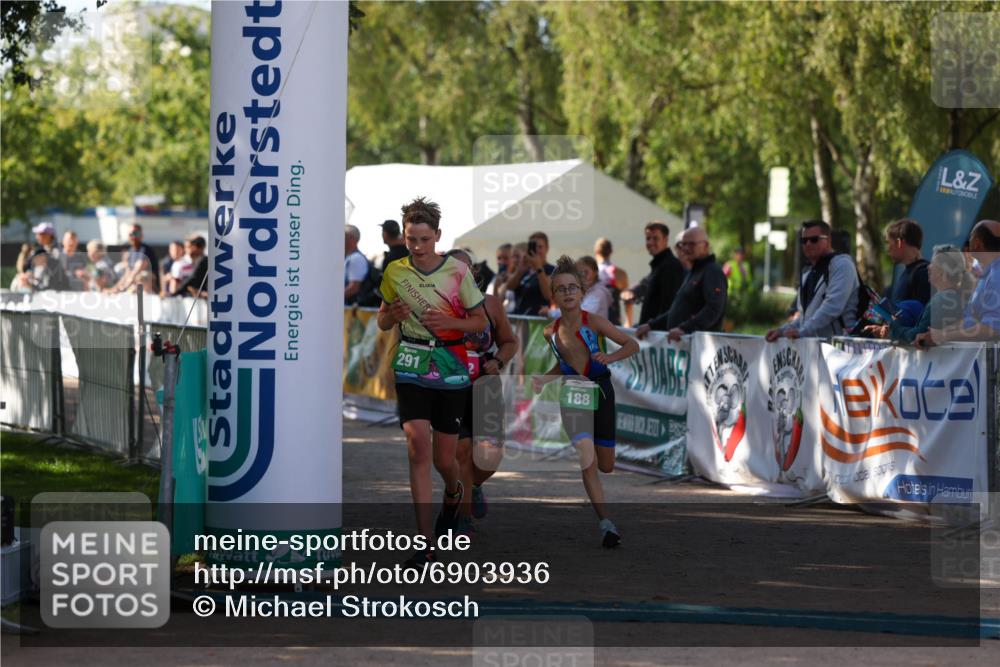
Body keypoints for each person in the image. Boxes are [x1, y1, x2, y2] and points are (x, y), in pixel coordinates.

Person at [376, 197, 488, 568]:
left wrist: (452, 324)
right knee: (417, 446)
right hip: (410, 362)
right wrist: (391, 313)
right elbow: (382, 321)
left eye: (424, 239)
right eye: (411, 239)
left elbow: (480, 323)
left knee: (445, 459)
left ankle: (455, 491)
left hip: (451, 364)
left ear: (437, 235)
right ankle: (426, 544)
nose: (418, 247)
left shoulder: (457, 271)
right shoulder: (395, 271)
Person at [533, 256, 639, 548]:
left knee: (606, 465)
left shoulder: (593, 321)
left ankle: (605, 518)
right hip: (573, 394)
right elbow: (565, 365)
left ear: (582, 292)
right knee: (586, 456)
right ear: (553, 296)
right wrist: (545, 378)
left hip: (601, 391)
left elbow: (632, 344)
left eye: (572, 288)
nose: (567, 293)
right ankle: (606, 524)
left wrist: (610, 357)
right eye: (561, 289)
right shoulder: (549, 332)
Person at [446, 249, 519, 535]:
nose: (459, 275)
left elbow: (510, 343)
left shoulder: (491, 304)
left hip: (485, 387)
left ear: (474, 273)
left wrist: (498, 360)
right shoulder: (439, 305)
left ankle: (474, 486)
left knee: (490, 458)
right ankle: (462, 519)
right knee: (462, 453)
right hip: (452, 386)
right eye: (452, 270)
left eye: (464, 269)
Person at [766, 220, 859, 341]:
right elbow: (805, 317)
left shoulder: (842, 265)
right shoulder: (808, 272)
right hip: (813, 351)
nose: (808, 244)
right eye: (804, 240)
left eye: (814, 239)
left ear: (829, 239)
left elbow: (832, 307)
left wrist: (802, 332)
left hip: (840, 350)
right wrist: (782, 331)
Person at [916, 220, 1000, 347]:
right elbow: (969, 321)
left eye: (970, 237)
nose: (968, 242)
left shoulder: (996, 276)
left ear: (977, 243)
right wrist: (937, 333)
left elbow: (991, 329)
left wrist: (942, 336)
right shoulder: (987, 276)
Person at [865, 244, 971, 344]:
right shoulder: (954, 297)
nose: (928, 267)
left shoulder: (943, 299)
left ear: (941, 272)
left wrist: (894, 328)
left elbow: (920, 335)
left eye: (932, 264)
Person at [636, 226, 728, 341]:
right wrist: (651, 325)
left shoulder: (712, 271)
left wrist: (685, 329)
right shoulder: (694, 272)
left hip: (699, 348)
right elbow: (678, 310)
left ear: (705, 246)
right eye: (683, 244)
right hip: (684, 348)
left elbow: (714, 308)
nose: (686, 248)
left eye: (691, 244)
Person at [621, 222, 685, 326]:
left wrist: (652, 326)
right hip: (651, 332)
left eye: (655, 238)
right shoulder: (659, 265)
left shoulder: (670, 266)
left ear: (665, 240)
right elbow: (645, 283)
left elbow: (670, 307)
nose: (650, 242)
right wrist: (632, 291)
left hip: (660, 335)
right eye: (648, 238)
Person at [884, 218, 930, 306]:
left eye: (888, 243)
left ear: (899, 243)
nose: (887, 249)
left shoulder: (924, 273)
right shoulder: (911, 273)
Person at [507, 231, 555, 316]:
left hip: (537, 321)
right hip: (519, 319)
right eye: (533, 247)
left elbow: (548, 294)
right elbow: (509, 286)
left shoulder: (552, 270)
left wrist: (538, 268)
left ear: (547, 248)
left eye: (540, 247)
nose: (537, 250)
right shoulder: (525, 269)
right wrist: (520, 269)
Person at [593, 237, 630, 326]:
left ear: (596, 252)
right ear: (611, 252)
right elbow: (628, 300)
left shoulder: (590, 273)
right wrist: (628, 323)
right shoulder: (620, 274)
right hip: (614, 324)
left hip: (594, 323)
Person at [344, 224, 369, 305]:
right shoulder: (350, 257)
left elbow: (354, 288)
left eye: (344, 236)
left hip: (351, 311)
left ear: (351, 238)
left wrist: (333, 299)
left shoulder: (356, 258)